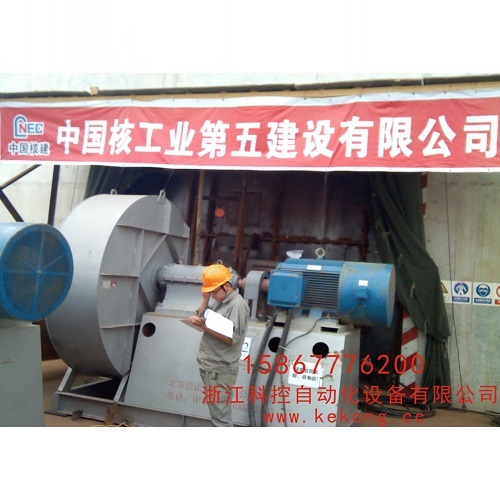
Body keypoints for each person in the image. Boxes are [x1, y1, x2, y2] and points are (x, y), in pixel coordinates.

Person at [188, 263, 250, 427]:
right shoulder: (220, 300)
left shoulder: (237, 305)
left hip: (220, 369)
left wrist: (204, 326)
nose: (212, 295)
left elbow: (232, 338)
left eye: (213, 292)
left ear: (226, 286)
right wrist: (205, 299)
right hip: (210, 365)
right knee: (217, 414)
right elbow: (204, 315)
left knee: (221, 419)